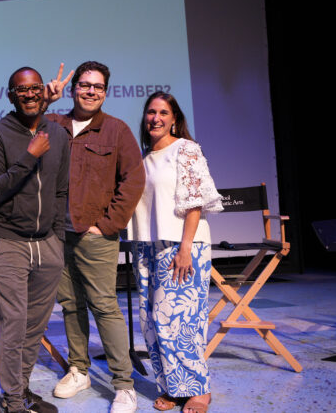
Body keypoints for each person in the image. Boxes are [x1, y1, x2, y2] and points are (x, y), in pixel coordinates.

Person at [47, 61, 145, 413]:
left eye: (98, 87)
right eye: (85, 85)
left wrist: (106, 225)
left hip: (95, 236)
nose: (90, 91)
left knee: (104, 306)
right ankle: (79, 369)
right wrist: (45, 101)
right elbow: (23, 138)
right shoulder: (53, 124)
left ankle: (124, 384)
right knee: (71, 304)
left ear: (106, 92)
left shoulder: (116, 131)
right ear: (73, 89)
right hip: (57, 233)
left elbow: (134, 180)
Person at [0, 67, 70, 413]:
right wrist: (30, 155)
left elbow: (61, 190)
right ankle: (13, 401)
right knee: (14, 323)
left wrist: (57, 240)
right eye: (22, 90)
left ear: (41, 92)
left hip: (47, 243)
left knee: (35, 325)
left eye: (35, 89)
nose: (30, 95)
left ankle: (23, 388)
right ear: (10, 95)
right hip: (8, 241)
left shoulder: (58, 135)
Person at [129, 91, 222, 413]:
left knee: (180, 323)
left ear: (174, 119)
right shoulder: (141, 156)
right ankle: (172, 385)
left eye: (163, 113)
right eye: (151, 112)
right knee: (152, 322)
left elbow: (195, 202)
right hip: (147, 247)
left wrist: (185, 249)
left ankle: (199, 390)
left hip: (182, 246)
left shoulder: (186, 150)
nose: (156, 118)